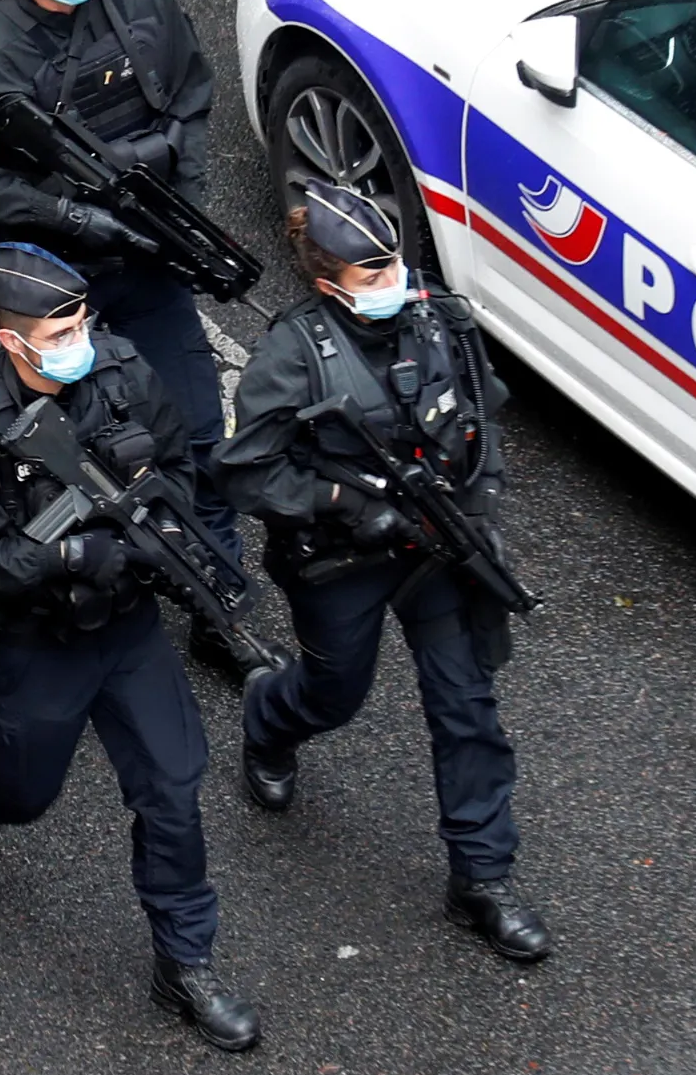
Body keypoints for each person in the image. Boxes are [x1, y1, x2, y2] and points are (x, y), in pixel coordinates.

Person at [0, 240, 259, 1052]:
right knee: (22, 795)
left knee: (172, 785)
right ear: (12, 339)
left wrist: (154, 524)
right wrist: (63, 552)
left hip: (129, 625)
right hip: (37, 641)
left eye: (79, 320)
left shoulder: (121, 371)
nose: (76, 338)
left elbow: (179, 463)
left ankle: (184, 960)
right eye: (57, 328)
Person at [219, 179, 550, 963]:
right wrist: (337, 499)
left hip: (434, 545)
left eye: (393, 265)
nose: (391, 283)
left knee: (466, 707)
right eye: (369, 276)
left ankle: (481, 875)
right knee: (334, 694)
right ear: (326, 280)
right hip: (341, 559)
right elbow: (242, 471)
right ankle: (270, 719)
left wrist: (482, 516)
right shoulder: (290, 355)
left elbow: (480, 421)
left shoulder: (441, 321)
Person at [0, 0, 249, 621]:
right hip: (53, 282)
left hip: (149, 256)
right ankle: (81, 587)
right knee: (62, 453)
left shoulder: (140, 3)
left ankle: (214, 590)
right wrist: (66, 215)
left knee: (197, 432)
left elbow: (192, 99)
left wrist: (181, 213)